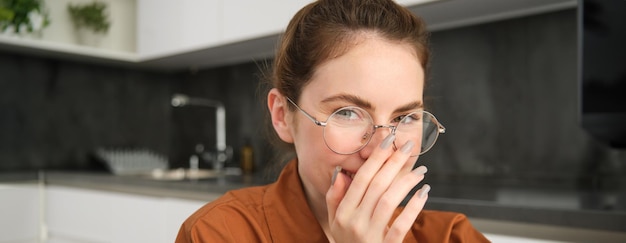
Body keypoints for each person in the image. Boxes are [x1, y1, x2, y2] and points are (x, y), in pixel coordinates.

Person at [176, 0, 489, 242]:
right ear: (283, 115)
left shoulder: (452, 237)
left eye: (405, 117)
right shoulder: (217, 233)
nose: (380, 149)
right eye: (348, 113)